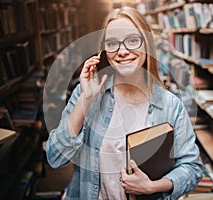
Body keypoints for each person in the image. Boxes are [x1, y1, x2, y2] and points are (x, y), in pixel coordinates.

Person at [46, 6, 203, 200]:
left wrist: (152, 187)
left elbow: (192, 168)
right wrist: (85, 100)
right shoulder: (86, 94)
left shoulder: (171, 106)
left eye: (132, 41)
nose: (122, 51)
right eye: (112, 43)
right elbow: (55, 158)